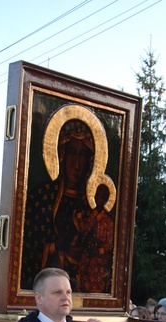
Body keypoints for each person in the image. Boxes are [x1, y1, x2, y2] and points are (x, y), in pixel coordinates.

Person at [21, 120, 115, 294]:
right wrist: (55, 248)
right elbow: (27, 248)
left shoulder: (91, 206)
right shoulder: (42, 196)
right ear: (62, 154)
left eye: (83, 155)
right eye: (72, 153)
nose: (77, 164)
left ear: (91, 161)